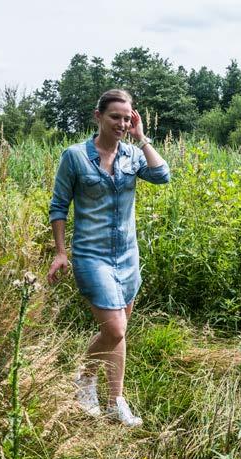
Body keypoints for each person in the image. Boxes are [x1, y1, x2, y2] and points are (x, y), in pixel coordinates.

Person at [47, 89, 170, 427]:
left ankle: (116, 400)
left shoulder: (132, 155)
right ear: (97, 116)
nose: (121, 123)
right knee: (114, 328)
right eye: (115, 116)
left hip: (127, 256)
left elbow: (162, 175)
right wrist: (61, 252)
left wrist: (142, 138)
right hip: (91, 255)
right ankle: (85, 379)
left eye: (127, 118)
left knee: (120, 331)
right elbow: (58, 206)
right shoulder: (74, 157)